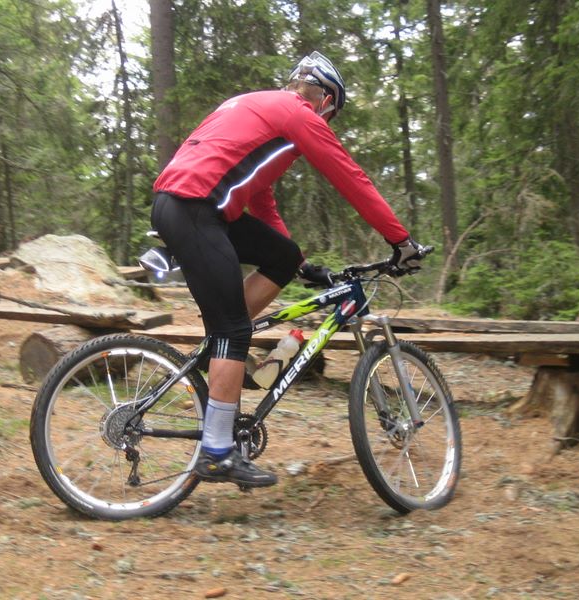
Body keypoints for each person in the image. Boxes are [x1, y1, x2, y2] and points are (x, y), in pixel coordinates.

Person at [151, 51, 425, 488]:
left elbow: (260, 196)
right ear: (325, 100)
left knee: (279, 257)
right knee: (233, 330)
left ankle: (219, 348)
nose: (328, 121)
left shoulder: (257, 105)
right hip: (196, 209)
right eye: (331, 114)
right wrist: (401, 241)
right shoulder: (297, 113)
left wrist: (299, 265)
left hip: (190, 205)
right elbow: (351, 178)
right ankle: (217, 454)